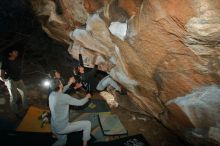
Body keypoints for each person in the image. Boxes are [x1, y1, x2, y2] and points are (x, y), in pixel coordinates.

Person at [49, 78, 92, 146]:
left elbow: (61, 91)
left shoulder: (52, 94)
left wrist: (70, 83)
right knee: (87, 124)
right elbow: (80, 103)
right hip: (62, 127)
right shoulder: (64, 97)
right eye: (61, 82)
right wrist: (87, 97)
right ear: (60, 85)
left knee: (62, 141)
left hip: (54, 125)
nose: (62, 83)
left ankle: (55, 134)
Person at [0, 49, 28, 114]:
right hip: (11, 80)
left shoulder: (17, 61)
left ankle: (25, 107)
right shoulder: (6, 61)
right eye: (15, 52)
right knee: (14, 96)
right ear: (10, 53)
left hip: (19, 79)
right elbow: (2, 71)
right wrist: (4, 79)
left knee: (24, 92)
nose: (17, 53)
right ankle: (15, 111)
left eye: (17, 52)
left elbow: (18, 69)